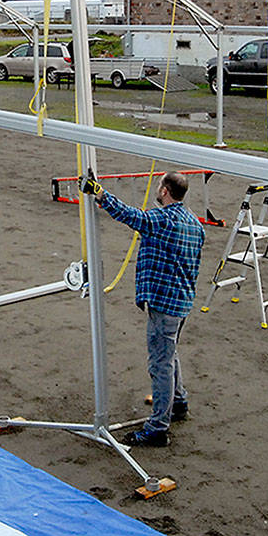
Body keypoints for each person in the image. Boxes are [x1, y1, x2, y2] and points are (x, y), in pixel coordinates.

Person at [92, 170, 204, 448]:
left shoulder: (163, 220)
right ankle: (178, 402)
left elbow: (131, 216)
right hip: (182, 301)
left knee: (160, 363)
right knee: (169, 354)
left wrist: (101, 194)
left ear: (165, 191)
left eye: (159, 185)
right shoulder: (194, 223)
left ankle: (158, 428)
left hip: (165, 303)